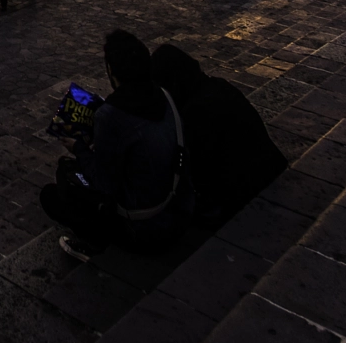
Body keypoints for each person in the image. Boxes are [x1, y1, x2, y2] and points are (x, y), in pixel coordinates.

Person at [41, 30, 185, 258]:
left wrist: (78, 148)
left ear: (112, 71)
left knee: (53, 194)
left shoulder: (111, 115)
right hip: (174, 205)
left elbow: (103, 183)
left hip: (142, 224)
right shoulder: (163, 95)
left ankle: (93, 241)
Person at [150, 44, 286, 227]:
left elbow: (194, 173)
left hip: (246, 192)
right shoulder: (217, 86)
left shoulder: (195, 113)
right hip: (269, 170)